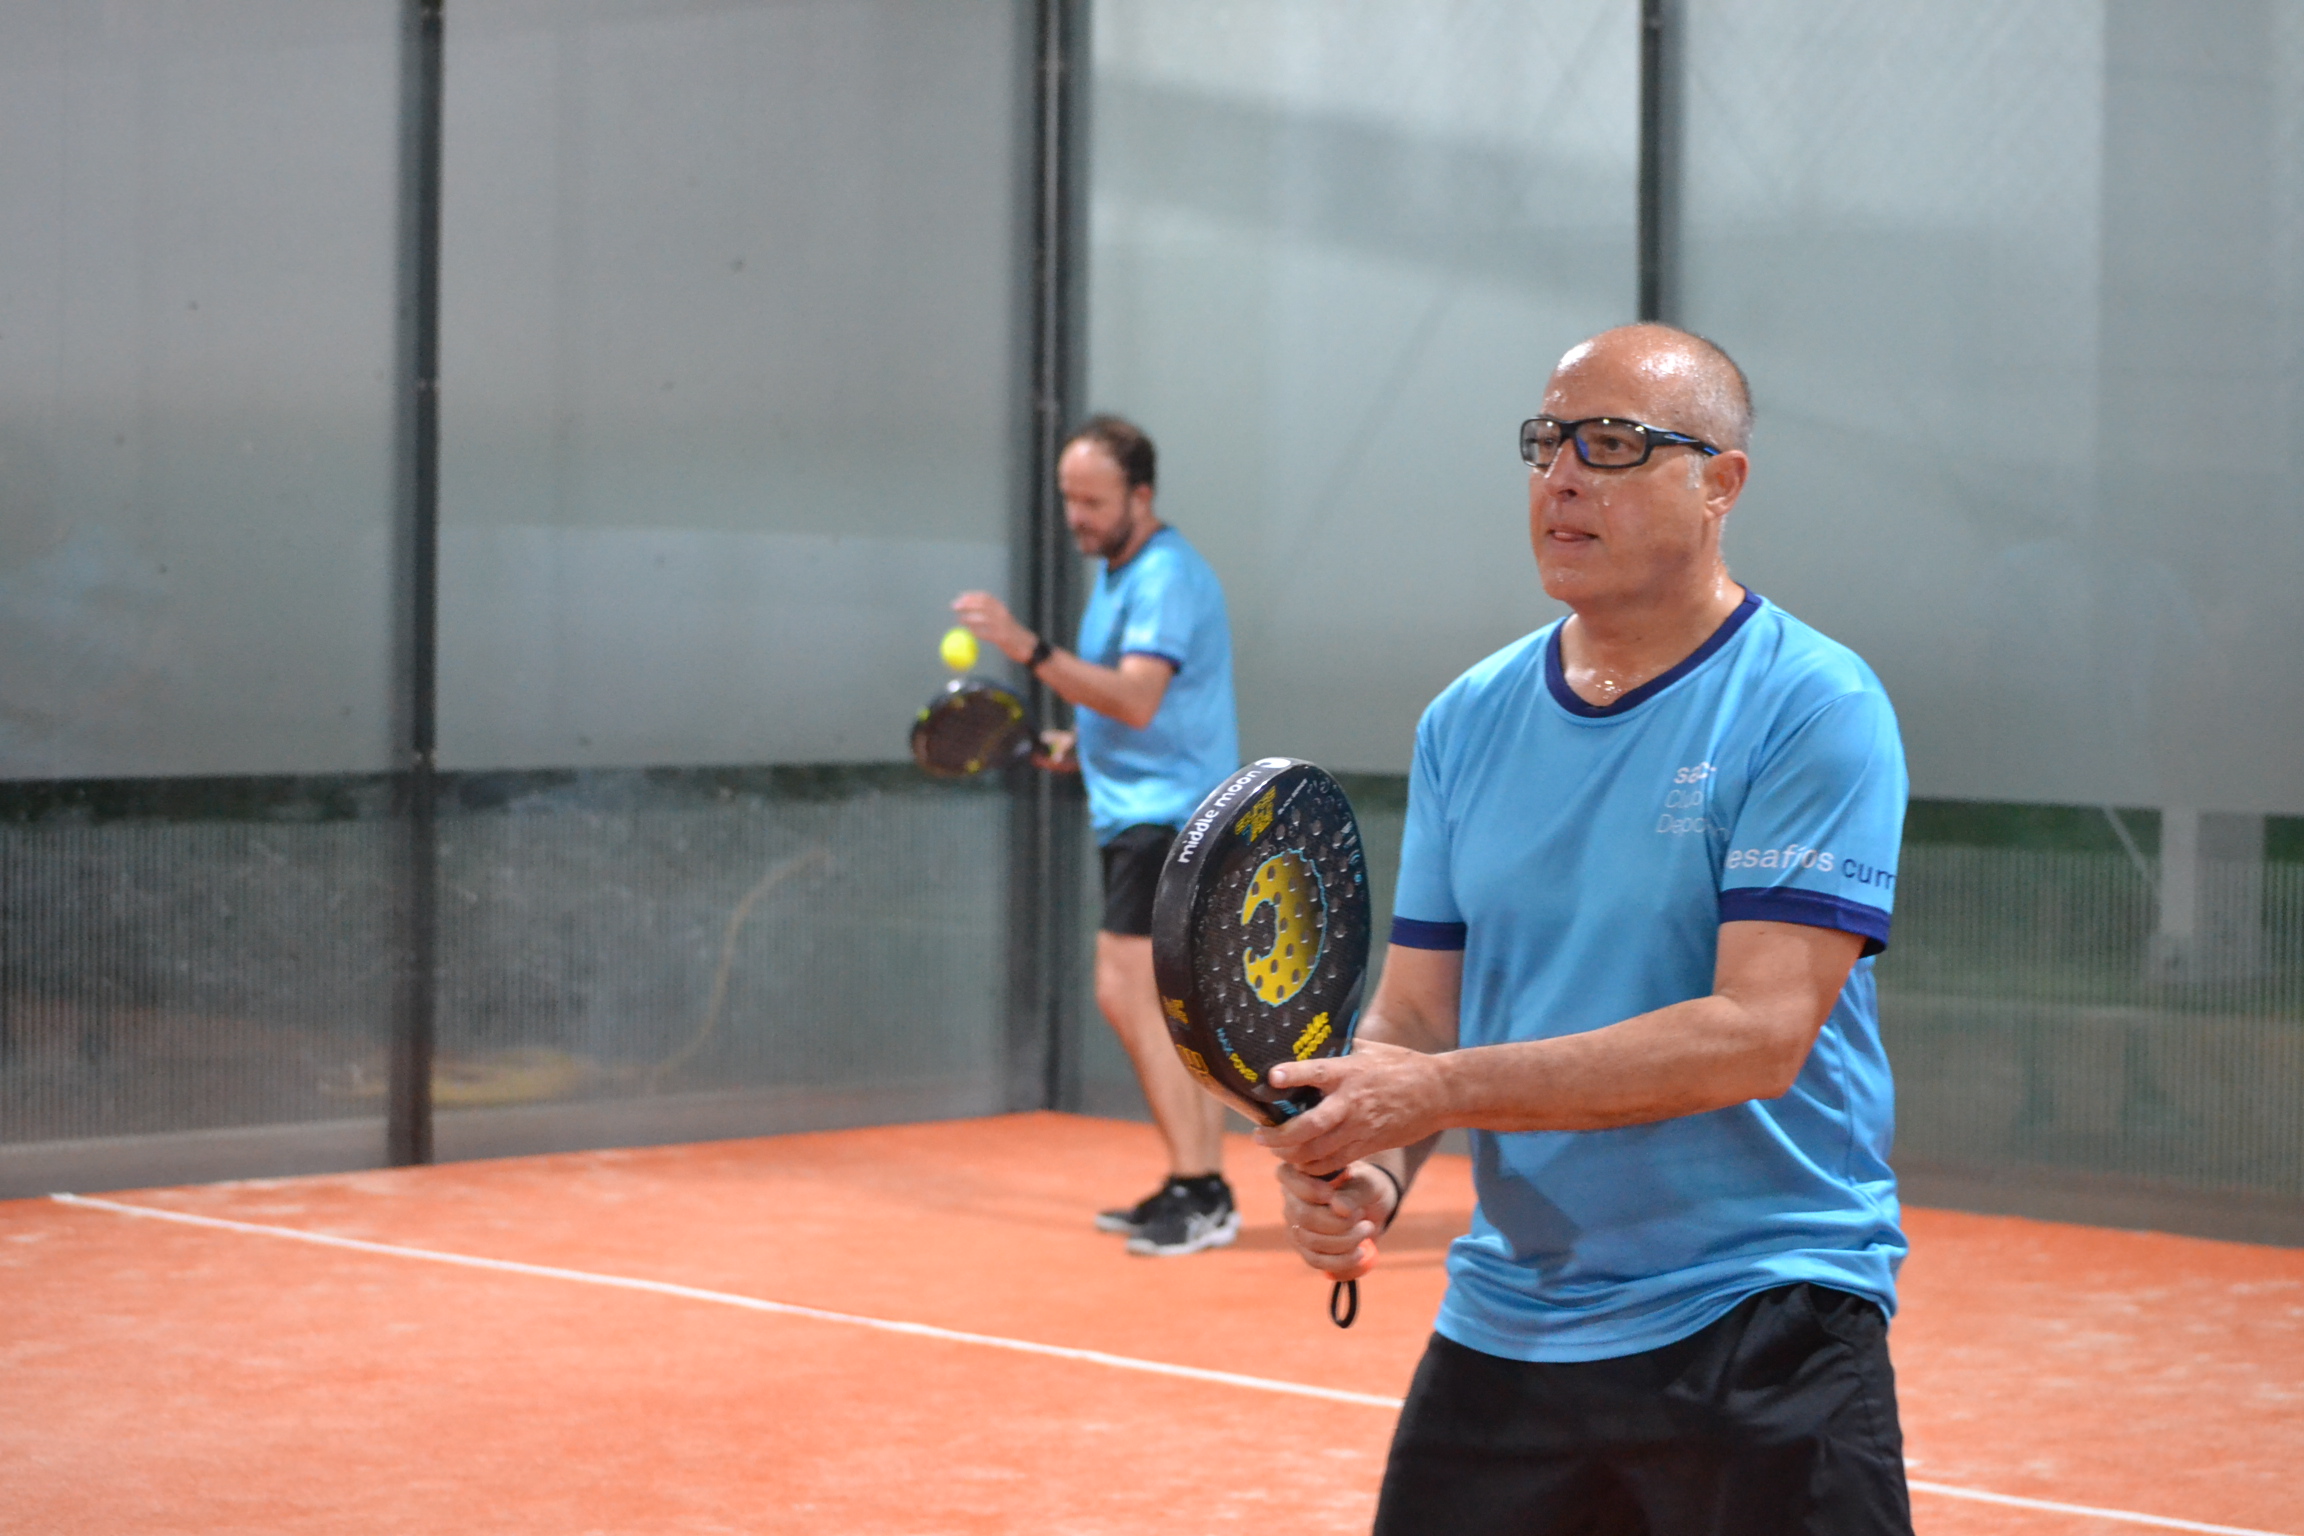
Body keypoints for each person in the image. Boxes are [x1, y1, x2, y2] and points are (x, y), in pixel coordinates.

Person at [1259, 326, 1914, 1534]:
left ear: (1720, 482)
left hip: (1762, 1311)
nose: (1561, 477)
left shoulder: (1813, 704)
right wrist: (1373, 1166)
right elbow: (1418, 1014)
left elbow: (1757, 1034)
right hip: (1514, 1317)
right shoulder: (1466, 719)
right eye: (1546, 443)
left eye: (1612, 444)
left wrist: (1432, 1094)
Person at [952, 415, 1243, 1257]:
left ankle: (1199, 1184)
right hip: (1145, 809)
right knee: (1170, 1005)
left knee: (1125, 990)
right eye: (1069, 499)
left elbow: (1138, 697)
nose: (1077, 517)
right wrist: (1078, 747)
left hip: (1169, 816)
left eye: (1094, 502)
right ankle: (1202, 1186)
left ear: (1139, 497)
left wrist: (1026, 647)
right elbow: (1132, 711)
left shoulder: (1163, 576)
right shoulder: (1121, 574)